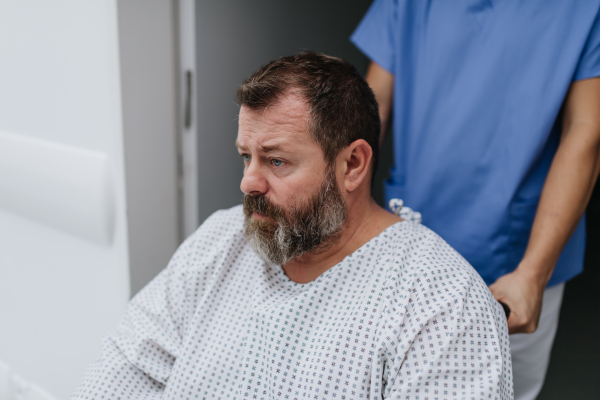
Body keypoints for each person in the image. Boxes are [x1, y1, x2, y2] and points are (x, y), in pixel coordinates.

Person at [71, 52, 512, 399]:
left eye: (276, 160)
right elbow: (122, 372)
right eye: (247, 156)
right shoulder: (219, 242)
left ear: (352, 164)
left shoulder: (442, 305)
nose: (248, 181)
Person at [351, 2, 600, 399]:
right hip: (408, 235)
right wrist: (329, 205)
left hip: (517, 260)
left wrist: (533, 274)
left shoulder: (583, 9)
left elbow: (586, 131)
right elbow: (370, 108)